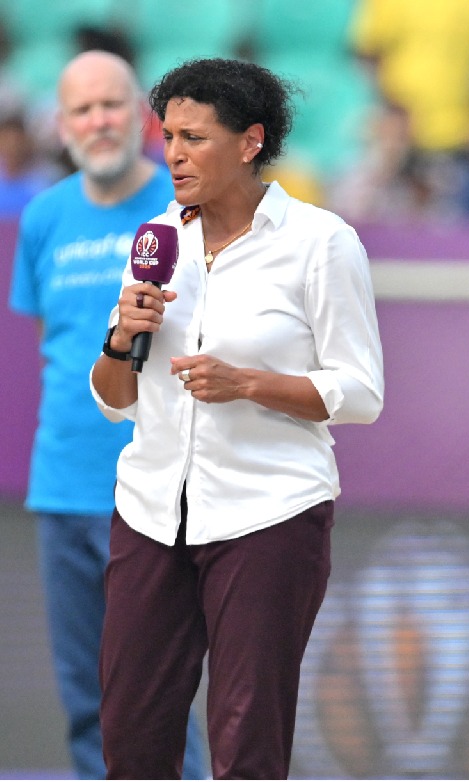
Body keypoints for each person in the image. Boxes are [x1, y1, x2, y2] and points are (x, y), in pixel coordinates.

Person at [90, 58, 385, 779]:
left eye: (194, 136)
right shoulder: (155, 240)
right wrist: (119, 339)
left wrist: (249, 382)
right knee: (131, 729)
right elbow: (113, 398)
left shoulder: (321, 242)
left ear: (251, 141)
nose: (174, 154)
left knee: (247, 737)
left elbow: (361, 392)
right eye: (167, 135)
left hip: (269, 512)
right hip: (152, 507)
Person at [6, 50, 208, 780]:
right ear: (61, 126)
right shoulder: (43, 219)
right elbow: (51, 347)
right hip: (62, 485)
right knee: (87, 697)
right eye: (83, 110)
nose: (99, 121)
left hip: (155, 490)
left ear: (143, 118)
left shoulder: (187, 207)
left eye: (112, 104)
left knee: (160, 694)